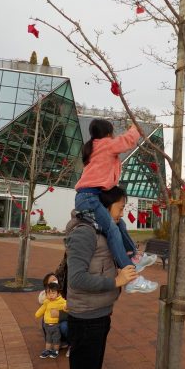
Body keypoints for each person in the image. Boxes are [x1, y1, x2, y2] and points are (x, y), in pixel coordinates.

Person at [66, 186, 158, 369]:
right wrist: (116, 282)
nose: (123, 213)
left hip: (100, 313)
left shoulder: (104, 230)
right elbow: (76, 279)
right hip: (85, 319)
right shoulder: (84, 233)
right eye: (120, 208)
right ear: (103, 208)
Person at [74, 118, 157, 293]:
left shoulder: (95, 146)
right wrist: (135, 128)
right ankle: (131, 278)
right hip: (89, 197)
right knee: (112, 229)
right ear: (109, 133)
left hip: (90, 196)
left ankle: (134, 256)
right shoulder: (106, 144)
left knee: (119, 223)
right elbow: (126, 142)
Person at [38, 272, 69, 355]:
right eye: (51, 281)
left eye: (55, 279)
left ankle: (71, 342)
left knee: (64, 326)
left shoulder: (64, 292)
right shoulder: (47, 296)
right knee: (45, 320)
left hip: (66, 318)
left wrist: (60, 314)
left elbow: (71, 311)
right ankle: (53, 342)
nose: (54, 281)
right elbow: (42, 304)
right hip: (53, 320)